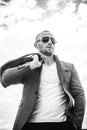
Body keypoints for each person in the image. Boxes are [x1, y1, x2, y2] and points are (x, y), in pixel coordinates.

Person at [0, 30, 86, 130]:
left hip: (62, 124)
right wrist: (31, 65)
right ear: (37, 45)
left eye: (53, 40)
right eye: (45, 39)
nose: (50, 42)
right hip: (30, 125)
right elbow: (6, 78)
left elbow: (79, 94)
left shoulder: (69, 67)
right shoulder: (30, 66)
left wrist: (76, 123)